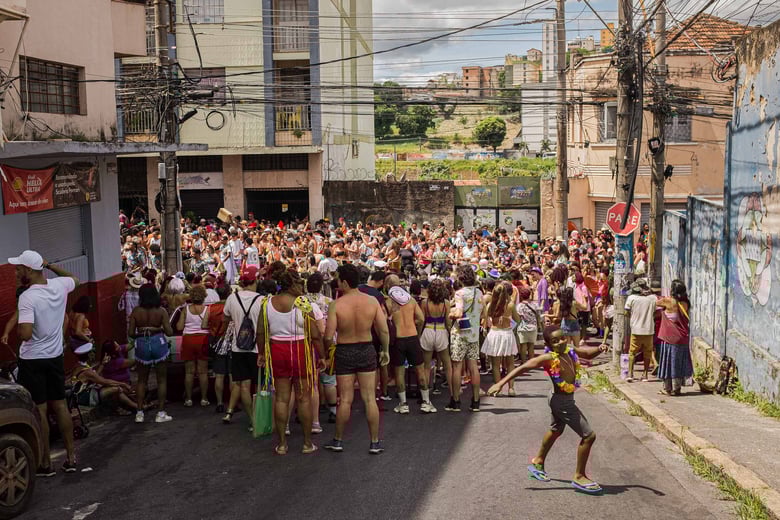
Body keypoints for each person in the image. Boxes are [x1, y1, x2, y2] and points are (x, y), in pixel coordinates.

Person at [488, 327, 607, 494]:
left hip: (560, 398)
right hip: (562, 402)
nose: (560, 342)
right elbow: (523, 367)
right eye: (555, 341)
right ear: (548, 344)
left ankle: (538, 461)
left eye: (562, 338)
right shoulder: (548, 357)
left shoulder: (570, 350)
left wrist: (599, 349)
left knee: (556, 429)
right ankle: (579, 476)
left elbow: (587, 354)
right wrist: (500, 384)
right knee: (589, 436)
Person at [9, 250, 78, 475]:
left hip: (32, 360)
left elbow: (26, 334)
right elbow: (75, 279)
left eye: (19, 268)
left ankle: (46, 462)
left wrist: (19, 331)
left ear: (29, 270)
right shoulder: (59, 286)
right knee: (60, 405)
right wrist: (49, 265)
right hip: (55, 357)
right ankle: (71, 457)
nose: (17, 272)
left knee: (39, 410)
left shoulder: (28, 297)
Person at [323, 263, 390, 454]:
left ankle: (338, 440)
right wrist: (385, 350)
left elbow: (328, 336)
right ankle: (375, 442)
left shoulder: (337, 305)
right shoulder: (371, 301)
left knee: (345, 399)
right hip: (366, 348)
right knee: (370, 398)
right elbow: (383, 329)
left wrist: (329, 354)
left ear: (344, 282)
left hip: (345, 350)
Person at [257, 268, 325, 455]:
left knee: (281, 398)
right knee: (303, 398)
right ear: (294, 284)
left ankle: (281, 444)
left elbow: (261, 332)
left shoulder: (267, 303)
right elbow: (316, 335)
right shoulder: (302, 303)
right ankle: (306, 443)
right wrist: (322, 356)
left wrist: (261, 353)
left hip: (277, 351)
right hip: (300, 350)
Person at [221, 266, 262, 427]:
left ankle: (253, 420)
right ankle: (260, 417)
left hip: (238, 347)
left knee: (244, 385)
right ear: (256, 280)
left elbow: (225, 319)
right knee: (258, 386)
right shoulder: (261, 299)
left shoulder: (232, 298)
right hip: (257, 349)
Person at [129, 285, 174, 424]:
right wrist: (157, 328)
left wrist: (143, 331)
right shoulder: (161, 311)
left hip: (142, 343)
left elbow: (130, 333)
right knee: (161, 380)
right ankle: (160, 413)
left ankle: (139, 412)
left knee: (141, 380)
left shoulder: (136, 312)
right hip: (158, 341)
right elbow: (169, 332)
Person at [386, 285, 431, 414]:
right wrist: (418, 332)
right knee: (420, 370)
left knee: (399, 373)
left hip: (398, 339)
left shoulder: (389, 303)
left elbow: (384, 321)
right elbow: (421, 318)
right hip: (412, 337)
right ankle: (426, 402)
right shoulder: (411, 300)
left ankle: (403, 404)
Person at [447, 264, 483, 412]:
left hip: (460, 333)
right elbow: (483, 312)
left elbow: (459, 312)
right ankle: (475, 401)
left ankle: (455, 401)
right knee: (473, 366)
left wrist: (451, 313)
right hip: (474, 333)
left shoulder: (460, 293)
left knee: (457, 366)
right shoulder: (479, 292)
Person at [70, 342, 137, 413]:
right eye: (92, 353)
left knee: (114, 387)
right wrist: (123, 384)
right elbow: (104, 381)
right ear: (89, 355)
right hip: (85, 397)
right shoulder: (86, 371)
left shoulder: (80, 365)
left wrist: (102, 364)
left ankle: (131, 406)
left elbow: (95, 376)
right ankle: (136, 407)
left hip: (86, 392)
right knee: (116, 389)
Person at [481, 282, 521, 396]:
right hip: (507, 333)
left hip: (494, 333)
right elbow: (518, 320)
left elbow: (486, 319)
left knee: (495, 364)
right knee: (510, 363)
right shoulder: (510, 305)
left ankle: (497, 389)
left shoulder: (490, 306)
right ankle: (511, 388)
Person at [656, 280, 692, 396]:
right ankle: (677, 388)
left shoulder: (668, 301)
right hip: (682, 338)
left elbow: (657, 303)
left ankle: (667, 388)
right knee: (678, 362)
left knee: (668, 362)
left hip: (670, 338)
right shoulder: (686, 303)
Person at [177, 285, 211, 407]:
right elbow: (207, 326)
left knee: (189, 372)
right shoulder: (208, 309)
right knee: (203, 372)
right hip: (203, 340)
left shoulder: (185, 309)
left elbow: (179, 327)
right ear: (204, 296)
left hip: (188, 340)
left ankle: (189, 399)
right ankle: (204, 398)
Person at [419, 278, 452, 401]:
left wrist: (418, 335)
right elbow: (448, 323)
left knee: (426, 366)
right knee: (447, 365)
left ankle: (425, 397)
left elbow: (421, 321)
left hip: (427, 330)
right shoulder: (446, 303)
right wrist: (450, 335)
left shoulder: (424, 303)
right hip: (441, 330)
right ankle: (453, 393)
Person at [206, 285, 233, 414]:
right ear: (229, 293)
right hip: (231, 342)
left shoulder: (211, 308)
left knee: (219, 375)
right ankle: (233, 404)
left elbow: (204, 324)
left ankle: (220, 403)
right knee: (233, 376)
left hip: (216, 342)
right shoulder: (231, 307)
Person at [625, 278, 657, 382]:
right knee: (647, 352)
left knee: (632, 352)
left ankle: (630, 373)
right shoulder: (653, 298)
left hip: (636, 329)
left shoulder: (632, 298)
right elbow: (657, 312)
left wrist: (633, 316)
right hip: (649, 330)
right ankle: (645, 375)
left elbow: (626, 313)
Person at [516, 286, 540, 363]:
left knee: (523, 346)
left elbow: (518, 318)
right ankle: (531, 363)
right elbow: (538, 316)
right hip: (533, 327)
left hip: (523, 327)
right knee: (531, 346)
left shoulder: (519, 306)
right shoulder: (535, 305)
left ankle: (523, 362)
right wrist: (539, 325)